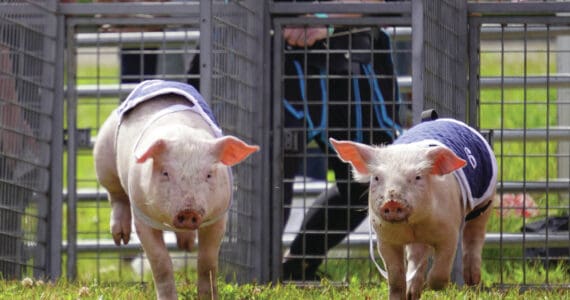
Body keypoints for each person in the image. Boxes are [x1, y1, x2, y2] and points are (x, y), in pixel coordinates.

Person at [277, 0, 405, 280]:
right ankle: (259, 272)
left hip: (355, 64)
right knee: (273, 175)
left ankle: (297, 265)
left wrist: (326, 18)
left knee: (369, 179)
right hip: (279, 58)